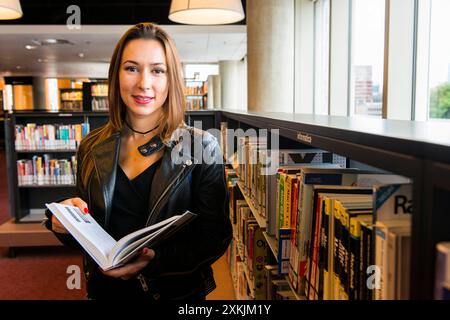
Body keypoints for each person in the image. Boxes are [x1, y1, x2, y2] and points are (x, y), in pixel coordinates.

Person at [44, 22, 232, 300]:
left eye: (158, 70)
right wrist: (61, 222)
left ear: (171, 79)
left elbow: (214, 237)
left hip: (174, 294)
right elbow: (89, 233)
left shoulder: (202, 146)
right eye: (131, 68)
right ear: (116, 75)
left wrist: (155, 260)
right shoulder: (91, 146)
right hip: (105, 292)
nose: (144, 83)